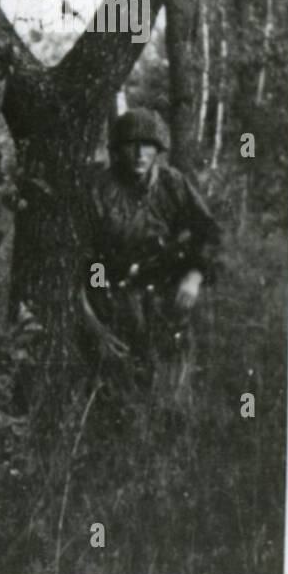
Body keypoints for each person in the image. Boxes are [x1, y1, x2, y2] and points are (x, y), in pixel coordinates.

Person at [81, 108, 221, 391]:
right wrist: (94, 328)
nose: (139, 153)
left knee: (174, 377)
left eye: (147, 145)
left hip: (164, 290)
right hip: (109, 293)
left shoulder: (173, 183)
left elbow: (208, 232)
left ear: (158, 150)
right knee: (114, 380)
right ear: (117, 150)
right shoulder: (98, 190)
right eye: (131, 145)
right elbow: (78, 265)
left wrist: (193, 277)